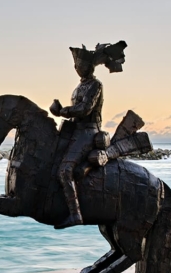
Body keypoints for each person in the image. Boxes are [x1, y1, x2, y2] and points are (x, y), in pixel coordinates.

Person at [50, 41, 127, 229]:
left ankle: (75, 214)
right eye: (76, 66)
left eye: (80, 65)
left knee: (64, 171)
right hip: (74, 130)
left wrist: (62, 111)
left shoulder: (95, 85)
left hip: (87, 132)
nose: (77, 68)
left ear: (89, 66)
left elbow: (85, 109)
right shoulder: (79, 86)